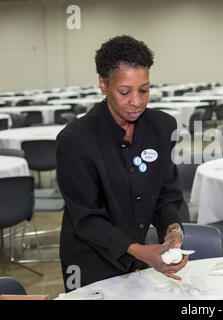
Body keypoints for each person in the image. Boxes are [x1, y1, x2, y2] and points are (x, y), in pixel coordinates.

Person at [56, 35, 188, 292]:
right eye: (124, 91)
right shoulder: (75, 141)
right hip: (89, 260)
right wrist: (139, 251)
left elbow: (166, 193)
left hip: (140, 257)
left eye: (144, 90)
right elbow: (87, 218)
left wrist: (173, 230)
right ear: (103, 84)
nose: (136, 101)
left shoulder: (161, 128)